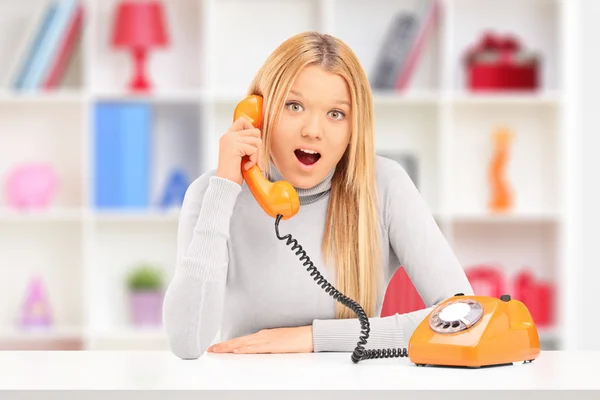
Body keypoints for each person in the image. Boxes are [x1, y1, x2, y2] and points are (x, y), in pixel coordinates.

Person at [162, 31, 473, 360]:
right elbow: (186, 341)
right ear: (257, 112)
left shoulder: (384, 185)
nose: (313, 130)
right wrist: (225, 188)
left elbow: (464, 314)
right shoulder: (211, 193)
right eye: (294, 106)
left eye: (336, 114)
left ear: (354, 128)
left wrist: (313, 337)